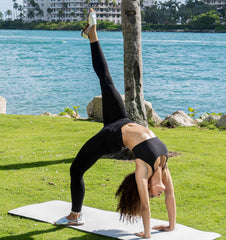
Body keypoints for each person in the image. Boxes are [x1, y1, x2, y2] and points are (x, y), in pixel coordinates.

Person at [55, 9, 176, 239]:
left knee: (75, 169)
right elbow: (171, 196)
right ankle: (93, 35)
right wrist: (169, 227)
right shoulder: (163, 165)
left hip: (111, 138)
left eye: (153, 195)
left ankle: (75, 215)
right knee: (106, 79)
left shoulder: (143, 169)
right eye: (154, 194)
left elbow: (145, 206)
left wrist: (147, 234)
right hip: (121, 120)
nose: (156, 195)